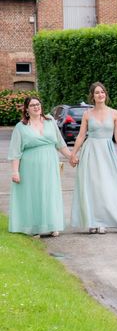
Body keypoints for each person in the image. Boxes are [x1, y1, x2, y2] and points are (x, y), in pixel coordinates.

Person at [69, 82, 117, 234]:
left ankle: (104, 221)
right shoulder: (87, 114)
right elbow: (81, 135)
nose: (100, 95)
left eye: (102, 92)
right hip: (90, 151)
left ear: (105, 95)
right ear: (92, 96)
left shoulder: (114, 113)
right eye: (97, 93)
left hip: (107, 152)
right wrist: (73, 153)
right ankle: (92, 220)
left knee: (106, 185)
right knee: (92, 186)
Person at [8, 96, 73, 237]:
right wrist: (15, 171)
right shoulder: (21, 127)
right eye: (32, 105)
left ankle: (52, 224)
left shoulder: (50, 121)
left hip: (50, 163)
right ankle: (34, 227)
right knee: (33, 194)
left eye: (38, 104)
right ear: (26, 109)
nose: (36, 107)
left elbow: (60, 144)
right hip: (29, 166)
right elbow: (15, 152)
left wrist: (71, 157)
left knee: (50, 193)